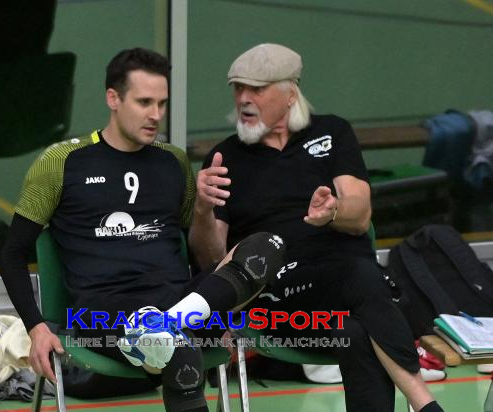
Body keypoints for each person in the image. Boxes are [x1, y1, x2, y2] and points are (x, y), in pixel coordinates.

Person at [0, 47, 285, 412]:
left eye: (162, 104)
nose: (156, 115)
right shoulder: (60, 162)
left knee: (268, 245)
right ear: (113, 98)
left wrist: (202, 209)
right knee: (180, 352)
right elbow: (11, 254)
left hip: (176, 299)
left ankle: (165, 327)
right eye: (145, 102)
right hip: (102, 313)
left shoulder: (173, 162)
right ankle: (164, 332)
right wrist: (37, 327)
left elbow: (203, 258)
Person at [189, 43, 445, 412]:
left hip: (343, 294)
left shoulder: (332, 132)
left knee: (355, 329)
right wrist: (201, 210)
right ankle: (425, 404)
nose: (243, 98)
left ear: (290, 92)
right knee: (362, 276)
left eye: (256, 89)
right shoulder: (226, 157)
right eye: (237, 88)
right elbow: (214, 260)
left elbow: (359, 217)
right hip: (279, 298)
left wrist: (333, 212)